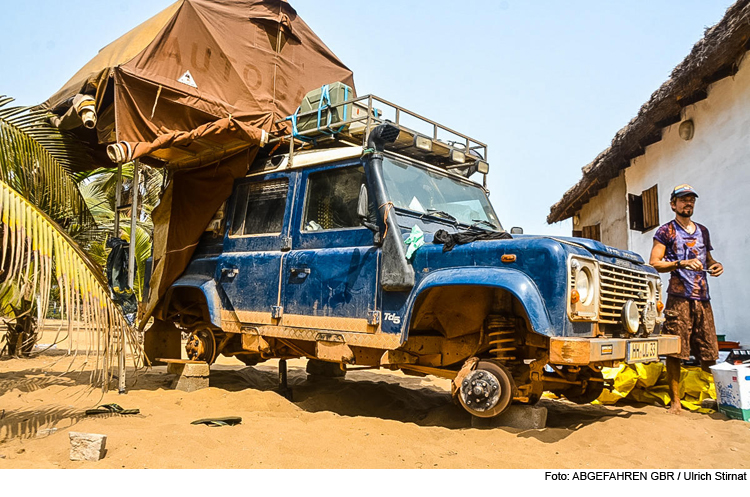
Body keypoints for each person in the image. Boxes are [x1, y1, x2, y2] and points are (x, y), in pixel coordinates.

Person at [649, 184, 723, 414]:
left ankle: (715, 397)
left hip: (702, 296)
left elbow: (708, 258)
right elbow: (654, 262)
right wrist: (681, 263)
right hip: (679, 296)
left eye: (691, 199)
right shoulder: (666, 231)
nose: (687, 203)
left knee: (709, 351)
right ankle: (676, 401)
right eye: (682, 200)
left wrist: (715, 265)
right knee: (675, 351)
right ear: (673, 204)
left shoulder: (702, 230)